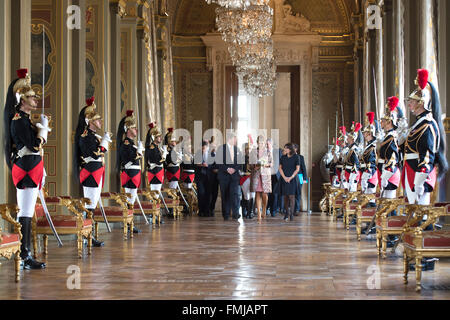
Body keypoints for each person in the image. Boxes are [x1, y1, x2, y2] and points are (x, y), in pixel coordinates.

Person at [402, 69, 448, 271]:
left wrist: (419, 181)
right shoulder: (419, 123)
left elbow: (427, 155)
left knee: (423, 217)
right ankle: (417, 254)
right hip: (412, 173)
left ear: (421, 103)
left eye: (412, 101)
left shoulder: (428, 124)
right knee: (416, 215)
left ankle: (427, 259)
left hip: (420, 175)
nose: (410, 105)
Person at [4, 68, 50, 269]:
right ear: (22, 100)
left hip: (31, 167)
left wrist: (39, 127)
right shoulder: (18, 120)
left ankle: (26, 254)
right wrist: (43, 132)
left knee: (28, 212)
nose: (36, 101)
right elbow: (34, 145)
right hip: (26, 170)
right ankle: (24, 255)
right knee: (25, 213)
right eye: (32, 97)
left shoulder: (25, 120)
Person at [74, 97, 112, 247]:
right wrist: (104, 142)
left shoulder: (93, 136)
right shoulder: (85, 136)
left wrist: (103, 142)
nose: (100, 122)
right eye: (97, 120)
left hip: (96, 172)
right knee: (89, 205)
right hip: (90, 172)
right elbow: (95, 154)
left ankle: (89, 235)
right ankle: (86, 235)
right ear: (90, 121)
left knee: (93, 204)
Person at [117, 110, 144, 233]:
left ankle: (130, 223)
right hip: (129, 173)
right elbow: (127, 158)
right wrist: (137, 152)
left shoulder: (132, 143)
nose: (136, 130)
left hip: (134, 173)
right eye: (134, 128)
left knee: (132, 200)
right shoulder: (126, 143)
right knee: (129, 200)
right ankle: (128, 224)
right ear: (128, 130)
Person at [379, 97, 402, 200]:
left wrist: (386, 175)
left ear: (389, 122)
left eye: (383, 121)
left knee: (389, 204)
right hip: (385, 172)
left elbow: (393, 158)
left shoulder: (392, 137)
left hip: (389, 173)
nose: (381, 123)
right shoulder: (387, 136)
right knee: (384, 202)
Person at [216, 134, 243, 220]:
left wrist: (234, 169)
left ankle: (235, 213)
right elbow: (218, 162)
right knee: (225, 195)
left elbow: (240, 162)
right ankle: (226, 214)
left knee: (235, 194)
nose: (235, 141)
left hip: (234, 176)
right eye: (234, 139)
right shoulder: (221, 148)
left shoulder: (237, 149)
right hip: (224, 176)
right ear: (230, 139)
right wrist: (227, 169)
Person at [250, 135, 273, 220]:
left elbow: (271, 163)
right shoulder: (253, 151)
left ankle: (264, 209)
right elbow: (250, 164)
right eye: (259, 142)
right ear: (257, 142)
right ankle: (259, 213)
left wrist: (265, 164)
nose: (261, 144)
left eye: (262, 143)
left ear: (264, 143)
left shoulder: (268, 151)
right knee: (257, 193)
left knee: (264, 194)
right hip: (256, 175)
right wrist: (254, 166)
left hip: (265, 174)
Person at [360, 112, 379, 205]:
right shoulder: (369, 146)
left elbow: (372, 162)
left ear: (370, 133)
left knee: (370, 198)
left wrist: (366, 175)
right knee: (367, 197)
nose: (364, 135)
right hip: (366, 172)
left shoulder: (373, 146)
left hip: (371, 174)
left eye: (365, 133)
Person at [279, 143, 300, 221]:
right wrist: (284, 177)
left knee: (292, 196)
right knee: (285, 196)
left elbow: (297, 169)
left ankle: (291, 214)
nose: (285, 150)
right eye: (284, 148)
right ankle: (286, 213)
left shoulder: (296, 157)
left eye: (286, 148)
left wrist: (291, 177)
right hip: (284, 178)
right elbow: (280, 168)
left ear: (290, 149)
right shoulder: (283, 157)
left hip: (293, 178)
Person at [194, 140, 211, 216]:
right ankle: (201, 210)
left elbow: (214, 165)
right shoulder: (197, 154)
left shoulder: (211, 155)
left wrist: (208, 165)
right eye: (202, 148)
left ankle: (207, 210)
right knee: (201, 193)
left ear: (207, 147)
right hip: (200, 177)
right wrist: (200, 165)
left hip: (208, 177)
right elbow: (194, 164)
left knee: (208, 193)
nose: (204, 149)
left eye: (205, 148)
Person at [344, 122, 362, 193]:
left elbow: (356, 163)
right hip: (348, 171)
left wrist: (353, 174)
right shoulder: (350, 148)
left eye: (348, 138)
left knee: (352, 191)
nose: (347, 139)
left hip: (352, 172)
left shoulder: (354, 149)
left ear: (352, 139)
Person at [240, 140, 255, 219]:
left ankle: (251, 212)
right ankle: (245, 210)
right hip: (244, 177)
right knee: (246, 195)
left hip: (253, 178)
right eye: (247, 149)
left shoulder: (254, 157)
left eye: (249, 149)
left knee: (252, 195)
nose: (248, 151)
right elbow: (240, 168)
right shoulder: (241, 158)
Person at [293, 143, 307, 215]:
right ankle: (291, 209)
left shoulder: (300, 157)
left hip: (300, 176)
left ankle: (297, 209)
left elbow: (303, 168)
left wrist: (305, 178)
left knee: (298, 193)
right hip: (291, 177)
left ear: (296, 149)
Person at [208, 137, 219, 216]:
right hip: (210, 176)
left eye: (214, 146)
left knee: (215, 193)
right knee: (210, 193)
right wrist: (213, 169)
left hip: (217, 177)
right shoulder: (208, 155)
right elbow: (208, 165)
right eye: (212, 147)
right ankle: (209, 209)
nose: (214, 148)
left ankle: (212, 208)